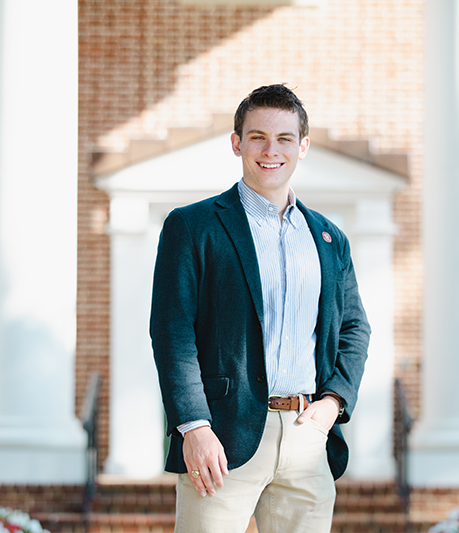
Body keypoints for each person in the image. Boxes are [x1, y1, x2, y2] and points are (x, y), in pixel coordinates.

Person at [150, 84, 370, 533]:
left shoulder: (329, 238)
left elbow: (354, 328)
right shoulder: (192, 227)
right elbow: (173, 332)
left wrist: (333, 403)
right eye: (258, 137)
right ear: (237, 143)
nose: (272, 150)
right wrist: (193, 427)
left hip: (309, 436)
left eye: (285, 138)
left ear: (302, 146)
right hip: (221, 438)